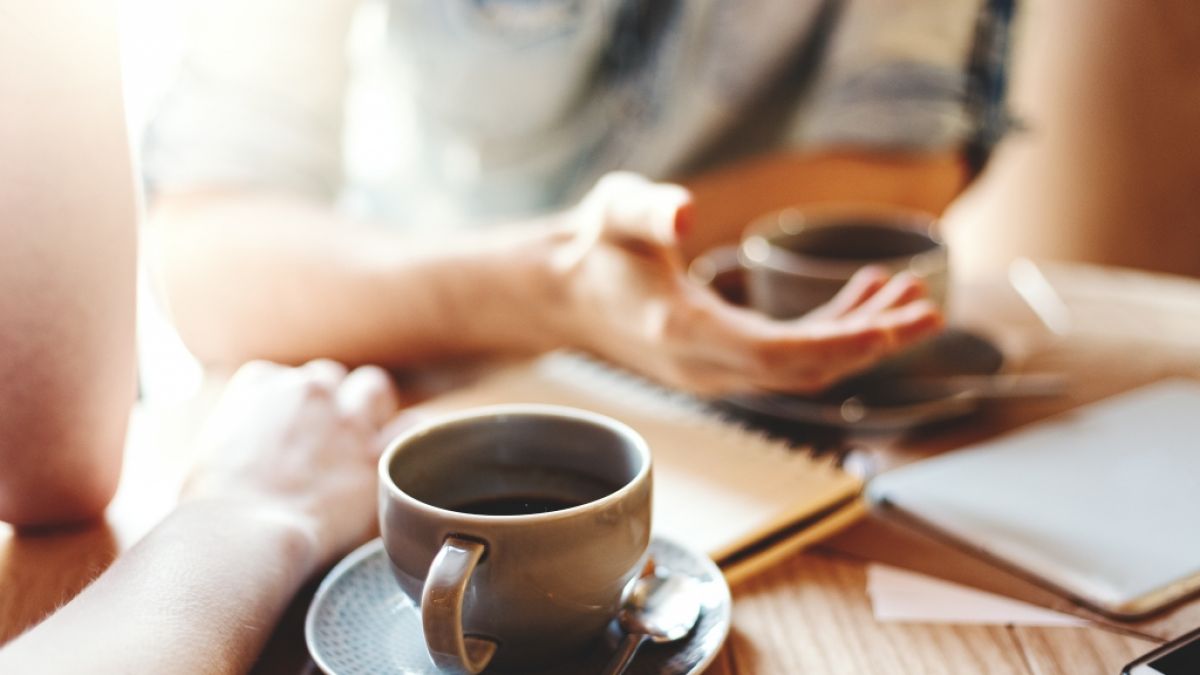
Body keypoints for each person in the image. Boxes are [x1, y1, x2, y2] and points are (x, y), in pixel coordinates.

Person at [140, 0, 1011, 396]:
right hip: (397, 374)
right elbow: (210, 256)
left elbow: (908, 159)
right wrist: (550, 282)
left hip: (772, 409)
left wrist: (602, 275)